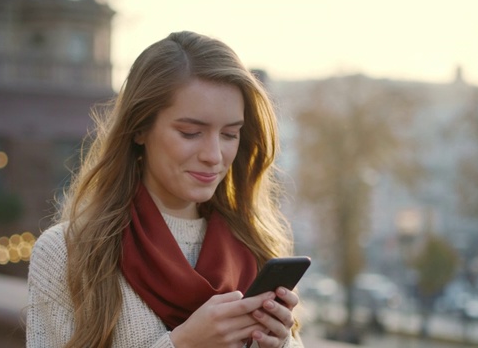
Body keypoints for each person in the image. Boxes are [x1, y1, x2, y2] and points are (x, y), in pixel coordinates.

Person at [27, 31, 304, 348]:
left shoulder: (255, 248)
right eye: (190, 132)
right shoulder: (68, 253)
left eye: (230, 134)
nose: (213, 155)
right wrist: (182, 344)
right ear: (139, 129)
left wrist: (283, 344)